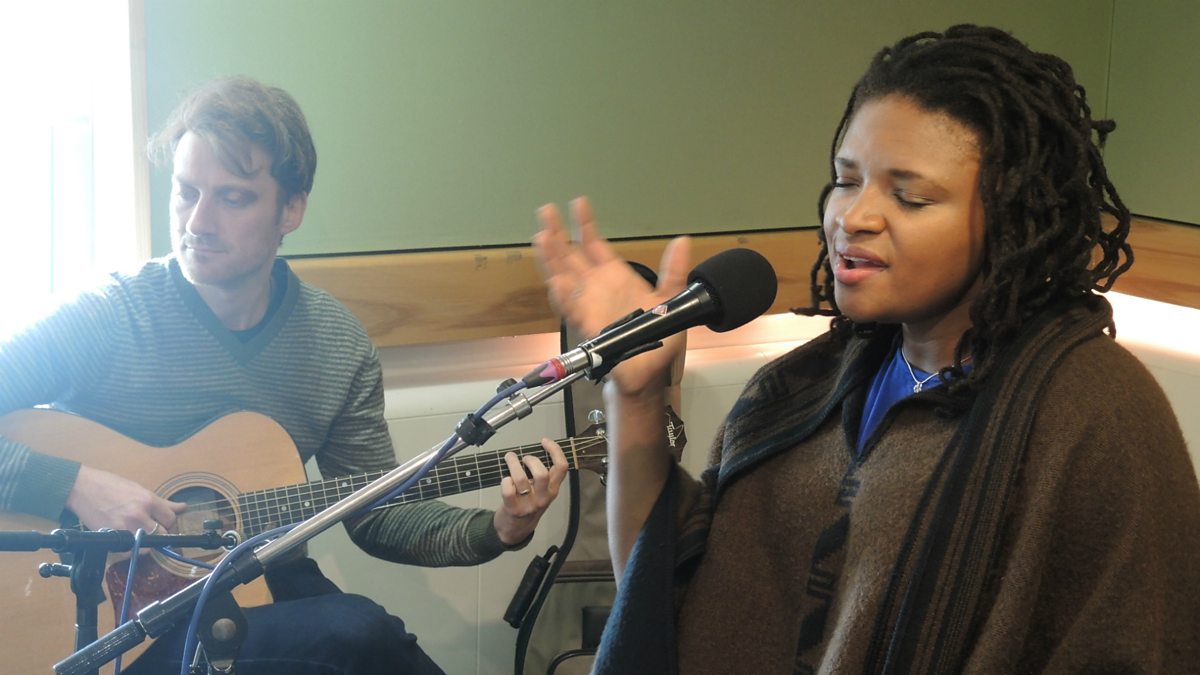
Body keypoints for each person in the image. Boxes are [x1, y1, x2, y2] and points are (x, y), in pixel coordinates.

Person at [533, 25, 1200, 674]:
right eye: (847, 180)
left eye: (909, 197)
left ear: (1012, 218)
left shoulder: (1095, 414)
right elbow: (660, 607)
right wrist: (637, 396)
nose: (853, 217)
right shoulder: (804, 388)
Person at [0, 76, 567, 674]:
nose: (198, 221)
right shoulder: (111, 316)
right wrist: (75, 484)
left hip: (258, 591)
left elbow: (376, 509)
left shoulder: (335, 344)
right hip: (111, 620)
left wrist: (499, 528)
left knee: (369, 640)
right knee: (354, 634)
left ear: (290, 209)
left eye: (232, 198)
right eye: (186, 192)